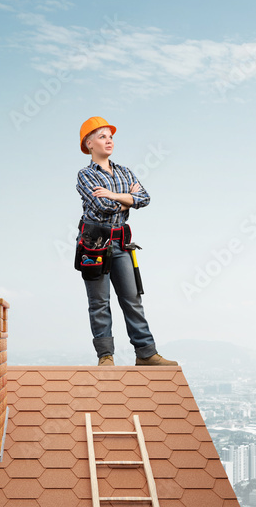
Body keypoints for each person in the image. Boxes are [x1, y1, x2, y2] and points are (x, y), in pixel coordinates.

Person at [75, 116, 176, 366]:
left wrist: (113, 194)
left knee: (132, 298)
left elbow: (145, 199)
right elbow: (104, 205)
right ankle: (106, 356)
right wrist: (127, 196)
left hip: (121, 242)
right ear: (89, 143)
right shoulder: (85, 175)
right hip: (94, 243)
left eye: (110, 137)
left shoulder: (125, 171)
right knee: (99, 302)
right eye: (102, 136)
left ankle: (145, 353)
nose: (108, 141)